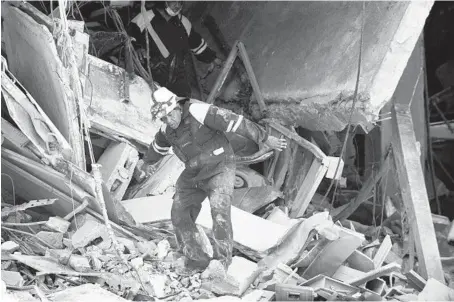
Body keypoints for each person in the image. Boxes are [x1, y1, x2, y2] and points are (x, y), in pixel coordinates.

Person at [142, 87, 287, 274]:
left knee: (219, 211)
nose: (169, 121)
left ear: (177, 107)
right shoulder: (167, 130)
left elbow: (235, 122)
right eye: (163, 119)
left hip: (220, 165)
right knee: (179, 213)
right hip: (194, 171)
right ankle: (196, 259)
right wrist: (146, 162)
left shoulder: (198, 111)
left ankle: (221, 264)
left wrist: (264, 138)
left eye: (170, 115)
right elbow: (158, 147)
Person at [128, 1, 222, 97]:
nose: (177, 6)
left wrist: (214, 59)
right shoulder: (144, 17)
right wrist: (137, 48)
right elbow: (127, 37)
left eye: (180, 2)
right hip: (148, 75)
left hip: (177, 80)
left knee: (182, 105)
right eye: (174, 1)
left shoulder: (184, 23)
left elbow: (198, 45)